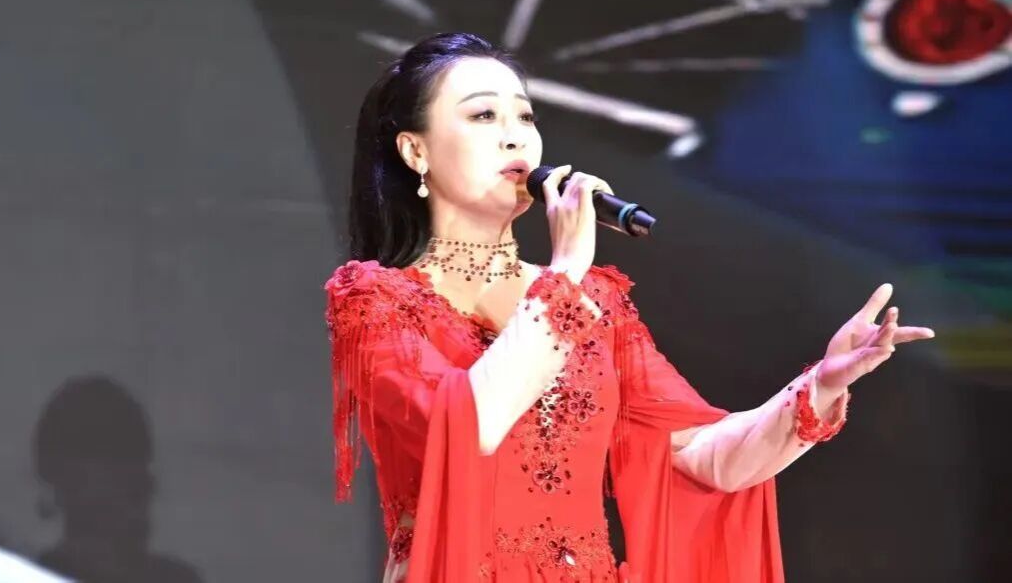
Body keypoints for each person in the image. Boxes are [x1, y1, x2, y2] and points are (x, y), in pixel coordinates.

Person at [324, 32, 935, 582]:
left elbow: (702, 457)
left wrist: (821, 385)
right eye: (484, 115)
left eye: (525, 115)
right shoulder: (375, 299)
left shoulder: (597, 304)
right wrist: (565, 272)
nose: (516, 135)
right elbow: (469, 424)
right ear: (416, 152)